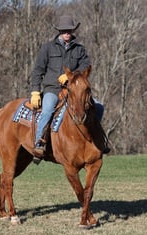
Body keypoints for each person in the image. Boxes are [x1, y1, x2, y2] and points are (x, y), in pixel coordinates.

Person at [30, 15, 110, 157]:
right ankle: (39, 143)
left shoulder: (79, 49)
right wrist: (35, 91)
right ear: (59, 32)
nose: (66, 33)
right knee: (47, 109)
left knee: (98, 107)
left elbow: (86, 65)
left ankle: (99, 139)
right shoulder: (48, 48)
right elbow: (38, 70)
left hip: (75, 90)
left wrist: (70, 75)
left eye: (69, 30)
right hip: (53, 89)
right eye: (64, 30)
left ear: (73, 31)